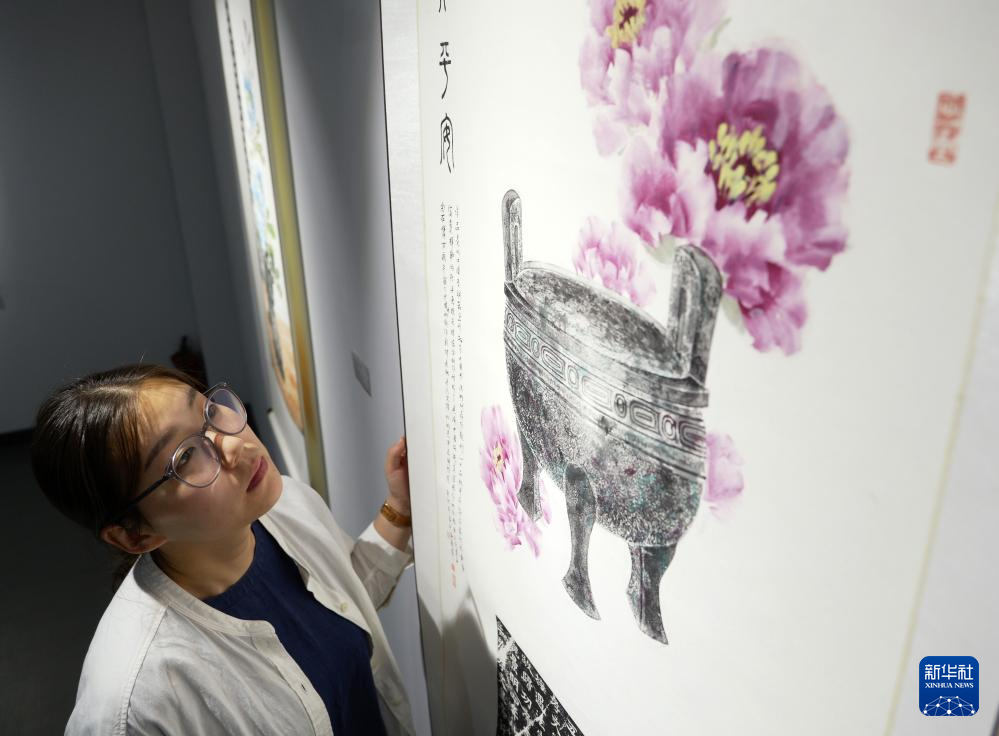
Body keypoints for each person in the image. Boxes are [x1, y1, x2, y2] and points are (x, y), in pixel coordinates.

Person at [31, 363, 417, 735]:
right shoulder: (137, 706)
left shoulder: (282, 504)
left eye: (209, 411)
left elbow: (344, 599)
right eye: (185, 456)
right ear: (136, 536)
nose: (235, 444)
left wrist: (398, 509)